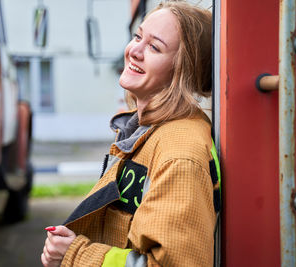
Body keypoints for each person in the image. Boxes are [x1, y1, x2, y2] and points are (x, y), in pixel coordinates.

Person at [41, 1, 220, 266]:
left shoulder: (181, 154)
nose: (134, 51)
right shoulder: (149, 130)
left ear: (183, 71)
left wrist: (76, 253)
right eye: (138, 36)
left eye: (154, 47)